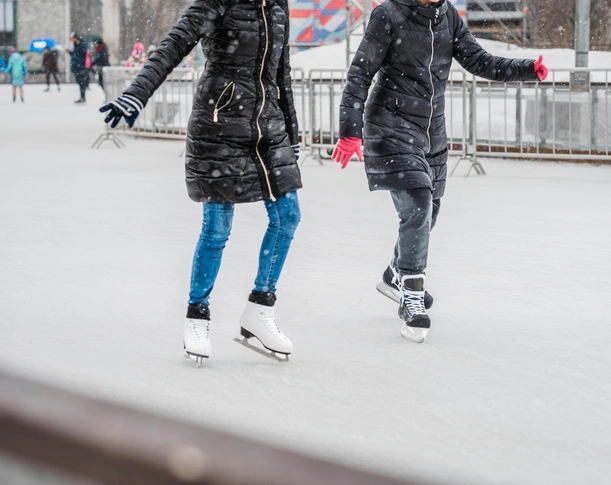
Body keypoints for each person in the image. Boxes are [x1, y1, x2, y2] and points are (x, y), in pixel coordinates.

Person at [332, 0, 548, 343]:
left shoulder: (447, 16)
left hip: (431, 130)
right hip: (389, 124)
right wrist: (349, 130)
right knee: (418, 202)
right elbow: (360, 72)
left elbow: (479, 60)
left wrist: (525, 69)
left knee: (430, 210)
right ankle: (412, 295)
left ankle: (394, 274)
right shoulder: (388, 14)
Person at [100, 0, 302, 365]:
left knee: (288, 215)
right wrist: (136, 93)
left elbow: (280, 70)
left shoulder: (277, 5)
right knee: (217, 228)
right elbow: (175, 44)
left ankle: (260, 308)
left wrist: (292, 129)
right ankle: (197, 314)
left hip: (268, 128)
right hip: (220, 125)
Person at [67, 33, 89, 104]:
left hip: (80, 67)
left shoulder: (82, 45)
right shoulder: (76, 45)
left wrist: (82, 67)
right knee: (79, 82)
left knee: (81, 82)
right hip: (76, 66)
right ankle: (82, 97)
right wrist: (70, 53)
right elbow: (75, 55)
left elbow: (83, 57)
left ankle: (83, 97)